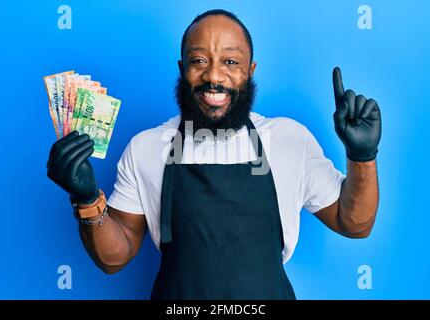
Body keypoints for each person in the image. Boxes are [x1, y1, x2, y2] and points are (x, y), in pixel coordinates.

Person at [47, 9, 381, 300]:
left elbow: (352, 224)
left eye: (230, 62)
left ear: (250, 70)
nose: (214, 76)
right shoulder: (147, 147)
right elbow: (113, 257)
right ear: (182, 69)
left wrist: (362, 155)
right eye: (199, 61)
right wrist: (86, 198)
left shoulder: (288, 140)